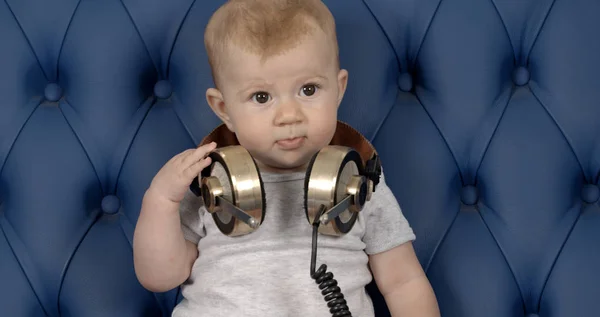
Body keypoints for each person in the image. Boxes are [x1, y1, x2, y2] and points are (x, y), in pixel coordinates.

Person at [132, 0, 440, 316]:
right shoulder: (211, 184)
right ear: (224, 110)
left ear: (338, 89)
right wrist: (160, 201)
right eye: (262, 97)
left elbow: (403, 281)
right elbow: (160, 277)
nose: (289, 115)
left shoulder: (358, 183)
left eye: (308, 90)